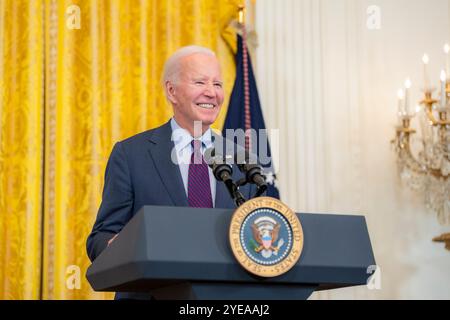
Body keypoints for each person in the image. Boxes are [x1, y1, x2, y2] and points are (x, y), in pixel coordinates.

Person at [86, 46, 255, 300]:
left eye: (218, 83)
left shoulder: (244, 160)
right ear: (171, 90)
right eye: (200, 81)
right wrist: (120, 247)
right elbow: (100, 239)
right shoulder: (130, 154)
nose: (212, 92)